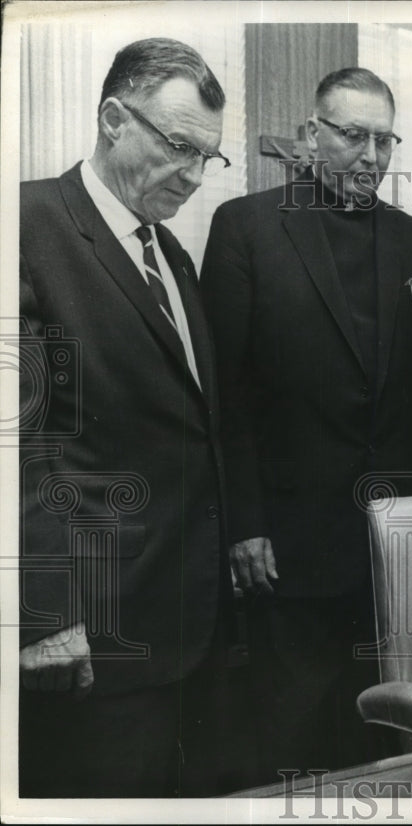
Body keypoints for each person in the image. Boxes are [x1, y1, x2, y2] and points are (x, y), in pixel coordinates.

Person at [200, 67, 412, 778]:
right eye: (353, 136)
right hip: (288, 545)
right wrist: (243, 522)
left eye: (384, 140)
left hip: (392, 546)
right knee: (291, 736)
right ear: (313, 135)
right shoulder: (246, 227)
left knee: (386, 737)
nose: (370, 156)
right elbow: (225, 395)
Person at [18, 38, 231, 796]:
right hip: (89, 638)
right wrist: (41, 614)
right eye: (179, 147)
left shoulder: (172, 256)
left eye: (209, 157)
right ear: (113, 118)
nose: (195, 176)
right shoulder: (26, 224)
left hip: (192, 630)